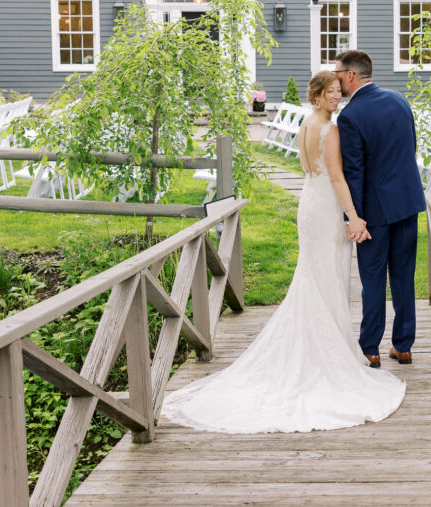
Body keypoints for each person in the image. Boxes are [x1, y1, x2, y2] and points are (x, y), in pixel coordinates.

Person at [161, 70, 405, 434]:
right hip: (325, 209)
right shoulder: (330, 129)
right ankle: (327, 358)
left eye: (340, 91)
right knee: (328, 279)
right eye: (332, 92)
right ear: (318, 96)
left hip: (309, 204)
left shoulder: (307, 125)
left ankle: (321, 346)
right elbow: (337, 178)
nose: (338, 97)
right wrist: (354, 217)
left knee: (316, 276)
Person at [334, 50, 426, 369]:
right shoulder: (400, 100)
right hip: (408, 202)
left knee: (373, 279)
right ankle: (403, 346)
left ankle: (371, 347)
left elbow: (354, 172)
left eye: (338, 74)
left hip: (374, 211)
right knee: (404, 276)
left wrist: (354, 217)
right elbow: (410, 147)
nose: (336, 80)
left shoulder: (349, 116)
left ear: (351, 76)